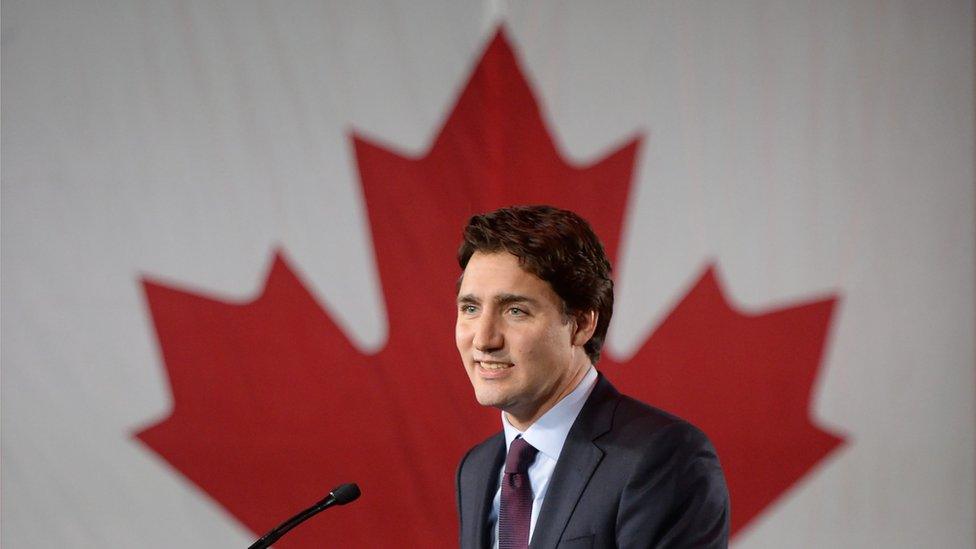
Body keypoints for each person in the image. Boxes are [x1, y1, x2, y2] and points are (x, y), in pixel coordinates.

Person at [454, 205, 729, 549]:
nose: (484, 339)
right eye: (470, 308)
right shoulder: (476, 469)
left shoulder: (663, 457)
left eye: (515, 311)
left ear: (582, 324)